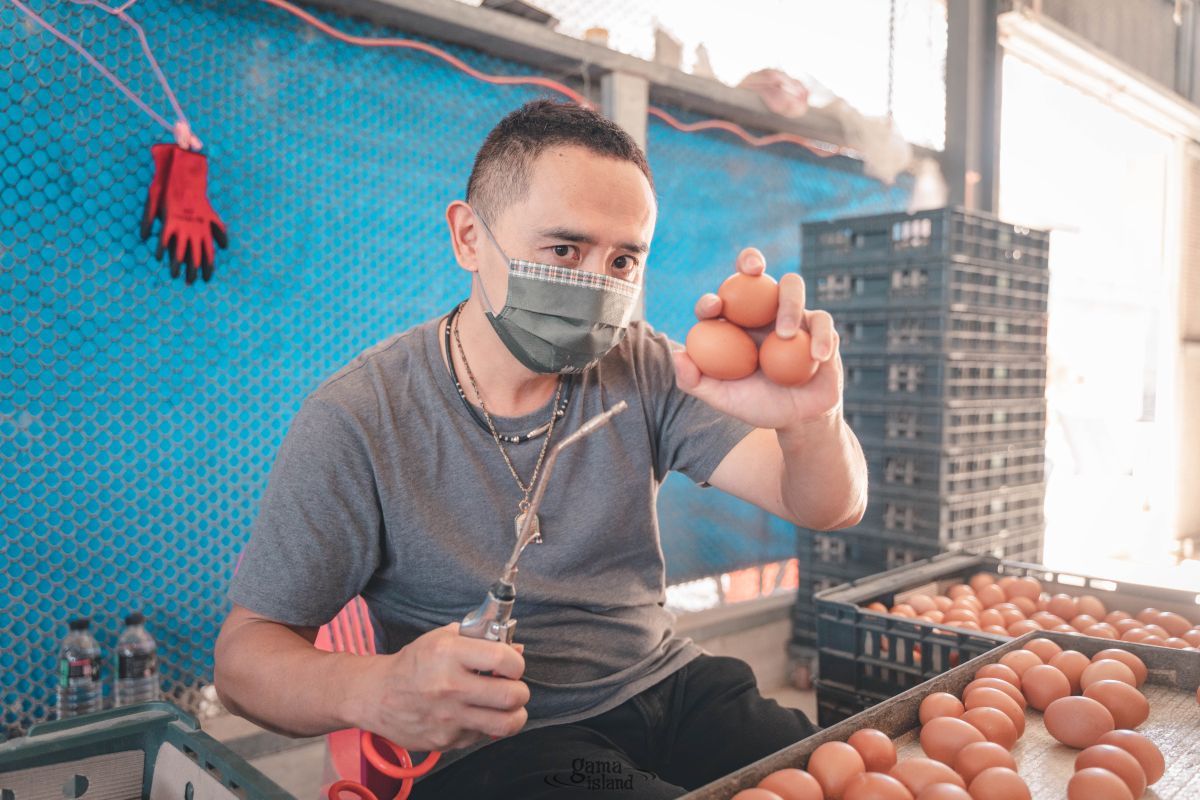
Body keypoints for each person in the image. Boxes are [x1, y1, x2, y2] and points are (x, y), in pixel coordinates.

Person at [214, 99, 866, 799]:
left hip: (664, 682)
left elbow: (829, 504)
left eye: (623, 260)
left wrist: (809, 417)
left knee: (848, 778)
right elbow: (244, 660)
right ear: (469, 237)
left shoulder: (644, 367)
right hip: (506, 742)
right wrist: (377, 686)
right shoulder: (361, 417)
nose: (595, 284)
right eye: (564, 250)